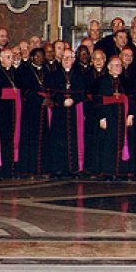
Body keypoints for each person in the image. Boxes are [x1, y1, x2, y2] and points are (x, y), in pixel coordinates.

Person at [48, 48, 86, 176]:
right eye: (64, 58)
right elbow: (51, 92)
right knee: (58, 140)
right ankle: (58, 168)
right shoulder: (54, 75)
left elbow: (83, 93)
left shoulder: (80, 75)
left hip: (75, 112)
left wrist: (73, 100)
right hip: (59, 111)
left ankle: (73, 168)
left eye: (70, 58)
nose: (67, 60)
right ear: (60, 59)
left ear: (74, 59)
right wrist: (62, 101)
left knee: (73, 139)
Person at [94, 56, 133, 179]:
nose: (118, 68)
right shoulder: (101, 81)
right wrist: (102, 118)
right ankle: (108, 171)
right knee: (108, 143)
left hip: (123, 117)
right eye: (115, 65)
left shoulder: (126, 81)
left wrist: (131, 115)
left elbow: (132, 99)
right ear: (109, 67)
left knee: (122, 142)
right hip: (109, 117)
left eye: (120, 65)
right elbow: (97, 101)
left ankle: (120, 171)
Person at [17, 48, 52, 176]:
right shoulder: (25, 71)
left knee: (45, 139)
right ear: (32, 58)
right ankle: (31, 169)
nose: (40, 59)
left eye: (42, 56)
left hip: (46, 108)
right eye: (37, 56)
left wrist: (50, 98)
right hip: (32, 109)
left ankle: (44, 168)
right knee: (32, 139)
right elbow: (25, 90)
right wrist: (40, 100)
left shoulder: (47, 70)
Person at [0, 48, 22, 178]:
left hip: (15, 107)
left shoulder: (15, 72)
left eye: (12, 57)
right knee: (4, 138)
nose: (11, 59)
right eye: (8, 57)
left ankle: (12, 166)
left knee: (14, 136)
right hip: (3, 109)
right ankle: (4, 167)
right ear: (1, 58)